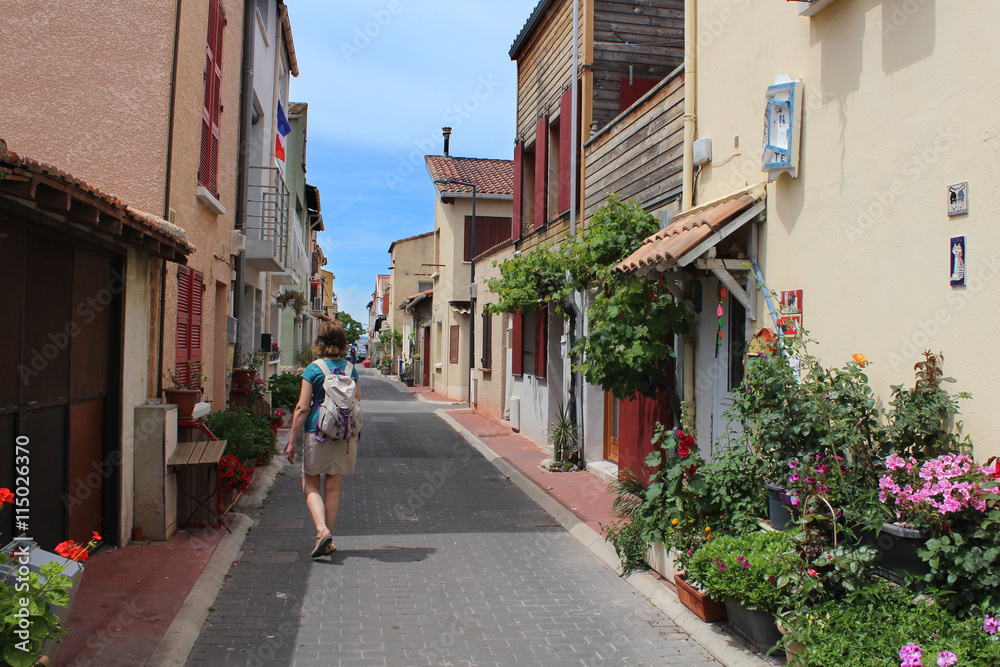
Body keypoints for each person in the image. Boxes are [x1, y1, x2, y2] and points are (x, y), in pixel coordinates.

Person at [285, 320, 361, 558]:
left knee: (309, 484)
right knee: (333, 487)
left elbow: (301, 408)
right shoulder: (350, 370)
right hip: (343, 434)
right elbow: (357, 402)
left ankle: (322, 530)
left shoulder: (313, 369)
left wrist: (291, 441)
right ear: (343, 343)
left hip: (317, 433)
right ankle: (327, 541)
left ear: (319, 342)